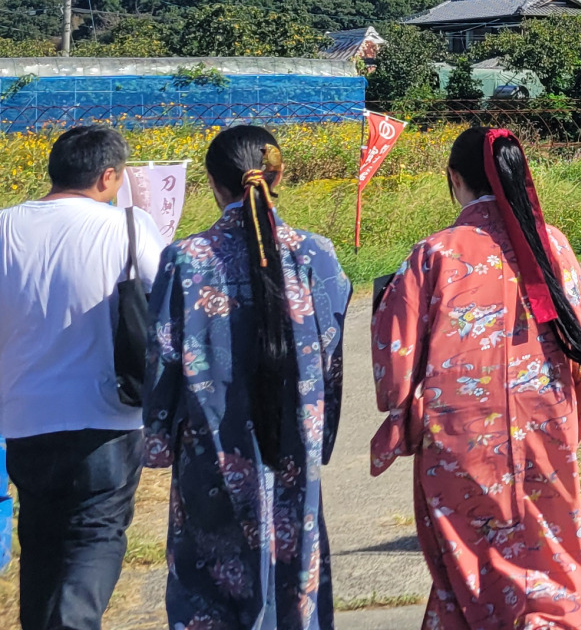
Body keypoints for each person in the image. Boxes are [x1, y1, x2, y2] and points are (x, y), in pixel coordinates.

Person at [372, 127, 581, 630]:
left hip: (458, 431)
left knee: (467, 562)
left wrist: (403, 415)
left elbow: (396, 364)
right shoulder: (553, 245)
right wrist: (574, 416)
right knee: (549, 549)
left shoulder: (435, 253)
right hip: (545, 420)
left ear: (454, 178)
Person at [145, 126, 351, 630]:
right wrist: (319, 433)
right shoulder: (314, 254)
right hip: (292, 444)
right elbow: (332, 355)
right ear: (278, 177)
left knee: (211, 580)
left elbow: (163, 358)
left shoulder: (185, 260)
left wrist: (158, 440)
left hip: (210, 449)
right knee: (292, 567)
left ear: (214, 184)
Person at [0, 126, 165, 630]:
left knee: (40, 538)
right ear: (107, 176)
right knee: (96, 534)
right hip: (107, 414)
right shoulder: (128, 228)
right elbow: (166, 301)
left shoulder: (5, 226)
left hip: (23, 417)